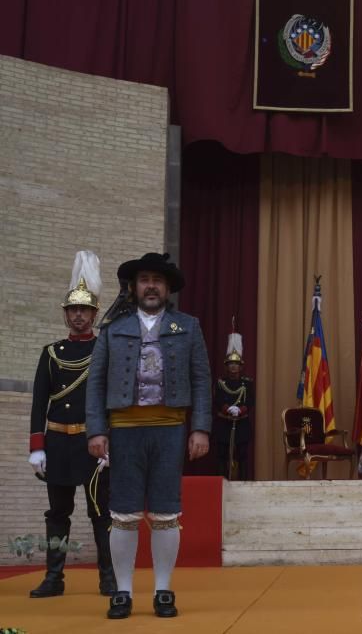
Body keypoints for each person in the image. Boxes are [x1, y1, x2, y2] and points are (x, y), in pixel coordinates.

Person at [85, 252, 211, 619]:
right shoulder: (112, 330)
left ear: (168, 288)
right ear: (133, 287)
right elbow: (95, 384)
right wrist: (96, 429)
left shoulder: (187, 326)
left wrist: (200, 427)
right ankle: (122, 591)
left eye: (158, 280)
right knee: (123, 512)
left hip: (171, 428)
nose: (151, 286)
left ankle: (163, 589)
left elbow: (202, 380)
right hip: (124, 430)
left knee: (165, 511)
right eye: (144, 280)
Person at [28, 251, 116, 598]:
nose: (78, 315)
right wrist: (37, 447)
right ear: (66, 313)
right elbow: (39, 403)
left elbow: (111, 402)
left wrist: (110, 441)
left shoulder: (103, 351)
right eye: (73, 310)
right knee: (57, 514)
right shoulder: (51, 353)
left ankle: (107, 577)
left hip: (92, 445)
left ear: (94, 313)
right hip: (59, 446)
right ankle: (54, 578)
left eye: (85, 310)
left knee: (100, 513)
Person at [212, 330, 254, 480]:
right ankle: (221, 483)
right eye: (231, 364)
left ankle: (243, 483)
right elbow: (217, 400)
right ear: (226, 366)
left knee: (243, 456)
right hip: (224, 422)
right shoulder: (220, 383)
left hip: (241, 423)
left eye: (236, 364)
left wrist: (240, 410)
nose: (233, 367)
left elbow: (250, 401)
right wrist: (227, 408)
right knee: (221, 456)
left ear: (241, 366)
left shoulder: (247, 383)